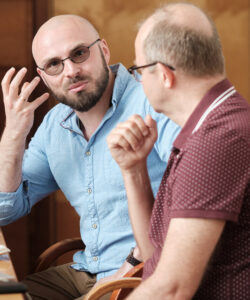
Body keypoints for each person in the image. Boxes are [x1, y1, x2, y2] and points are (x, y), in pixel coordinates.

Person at [0, 15, 179, 299]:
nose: (70, 71)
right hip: (86, 271)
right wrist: (14, 131)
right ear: (44, 75)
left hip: (142, 277)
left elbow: (189, 200)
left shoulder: (151, 102)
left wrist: (129, 267)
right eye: (54, 64)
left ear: (104, 50)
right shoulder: (55, 124)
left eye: (79, 53)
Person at [107, 3, 250, 299]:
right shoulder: (210, 125)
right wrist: (133, 169)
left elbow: (171, 289)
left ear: (163, 75)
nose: (138, 80)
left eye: (138, 70)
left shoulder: (216, 141)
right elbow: (153, 254)